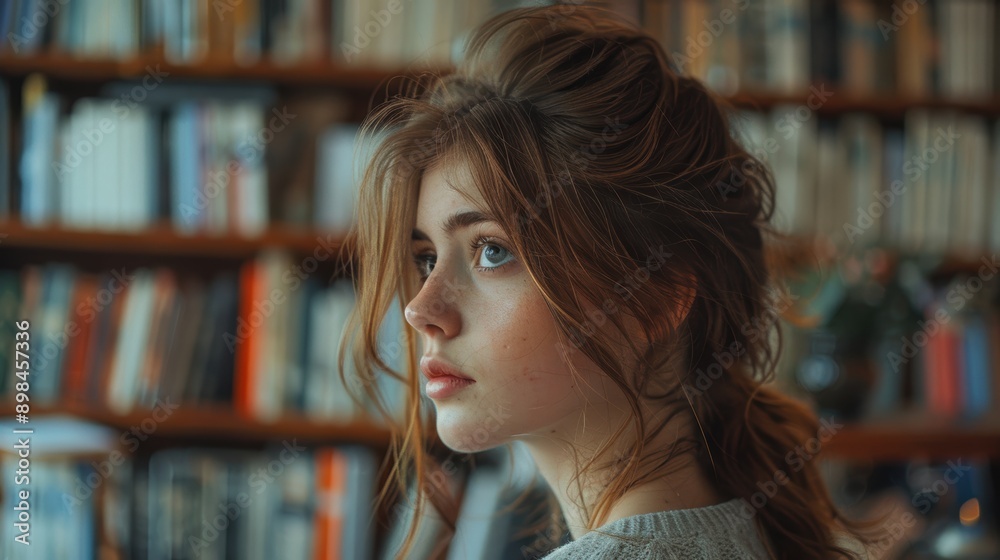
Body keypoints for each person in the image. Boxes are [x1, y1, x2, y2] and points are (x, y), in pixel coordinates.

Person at [343, 4, 879, 559]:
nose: (422, 308)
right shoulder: (752, 527)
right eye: (427, 258)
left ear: (658, 295)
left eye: (492, 250)